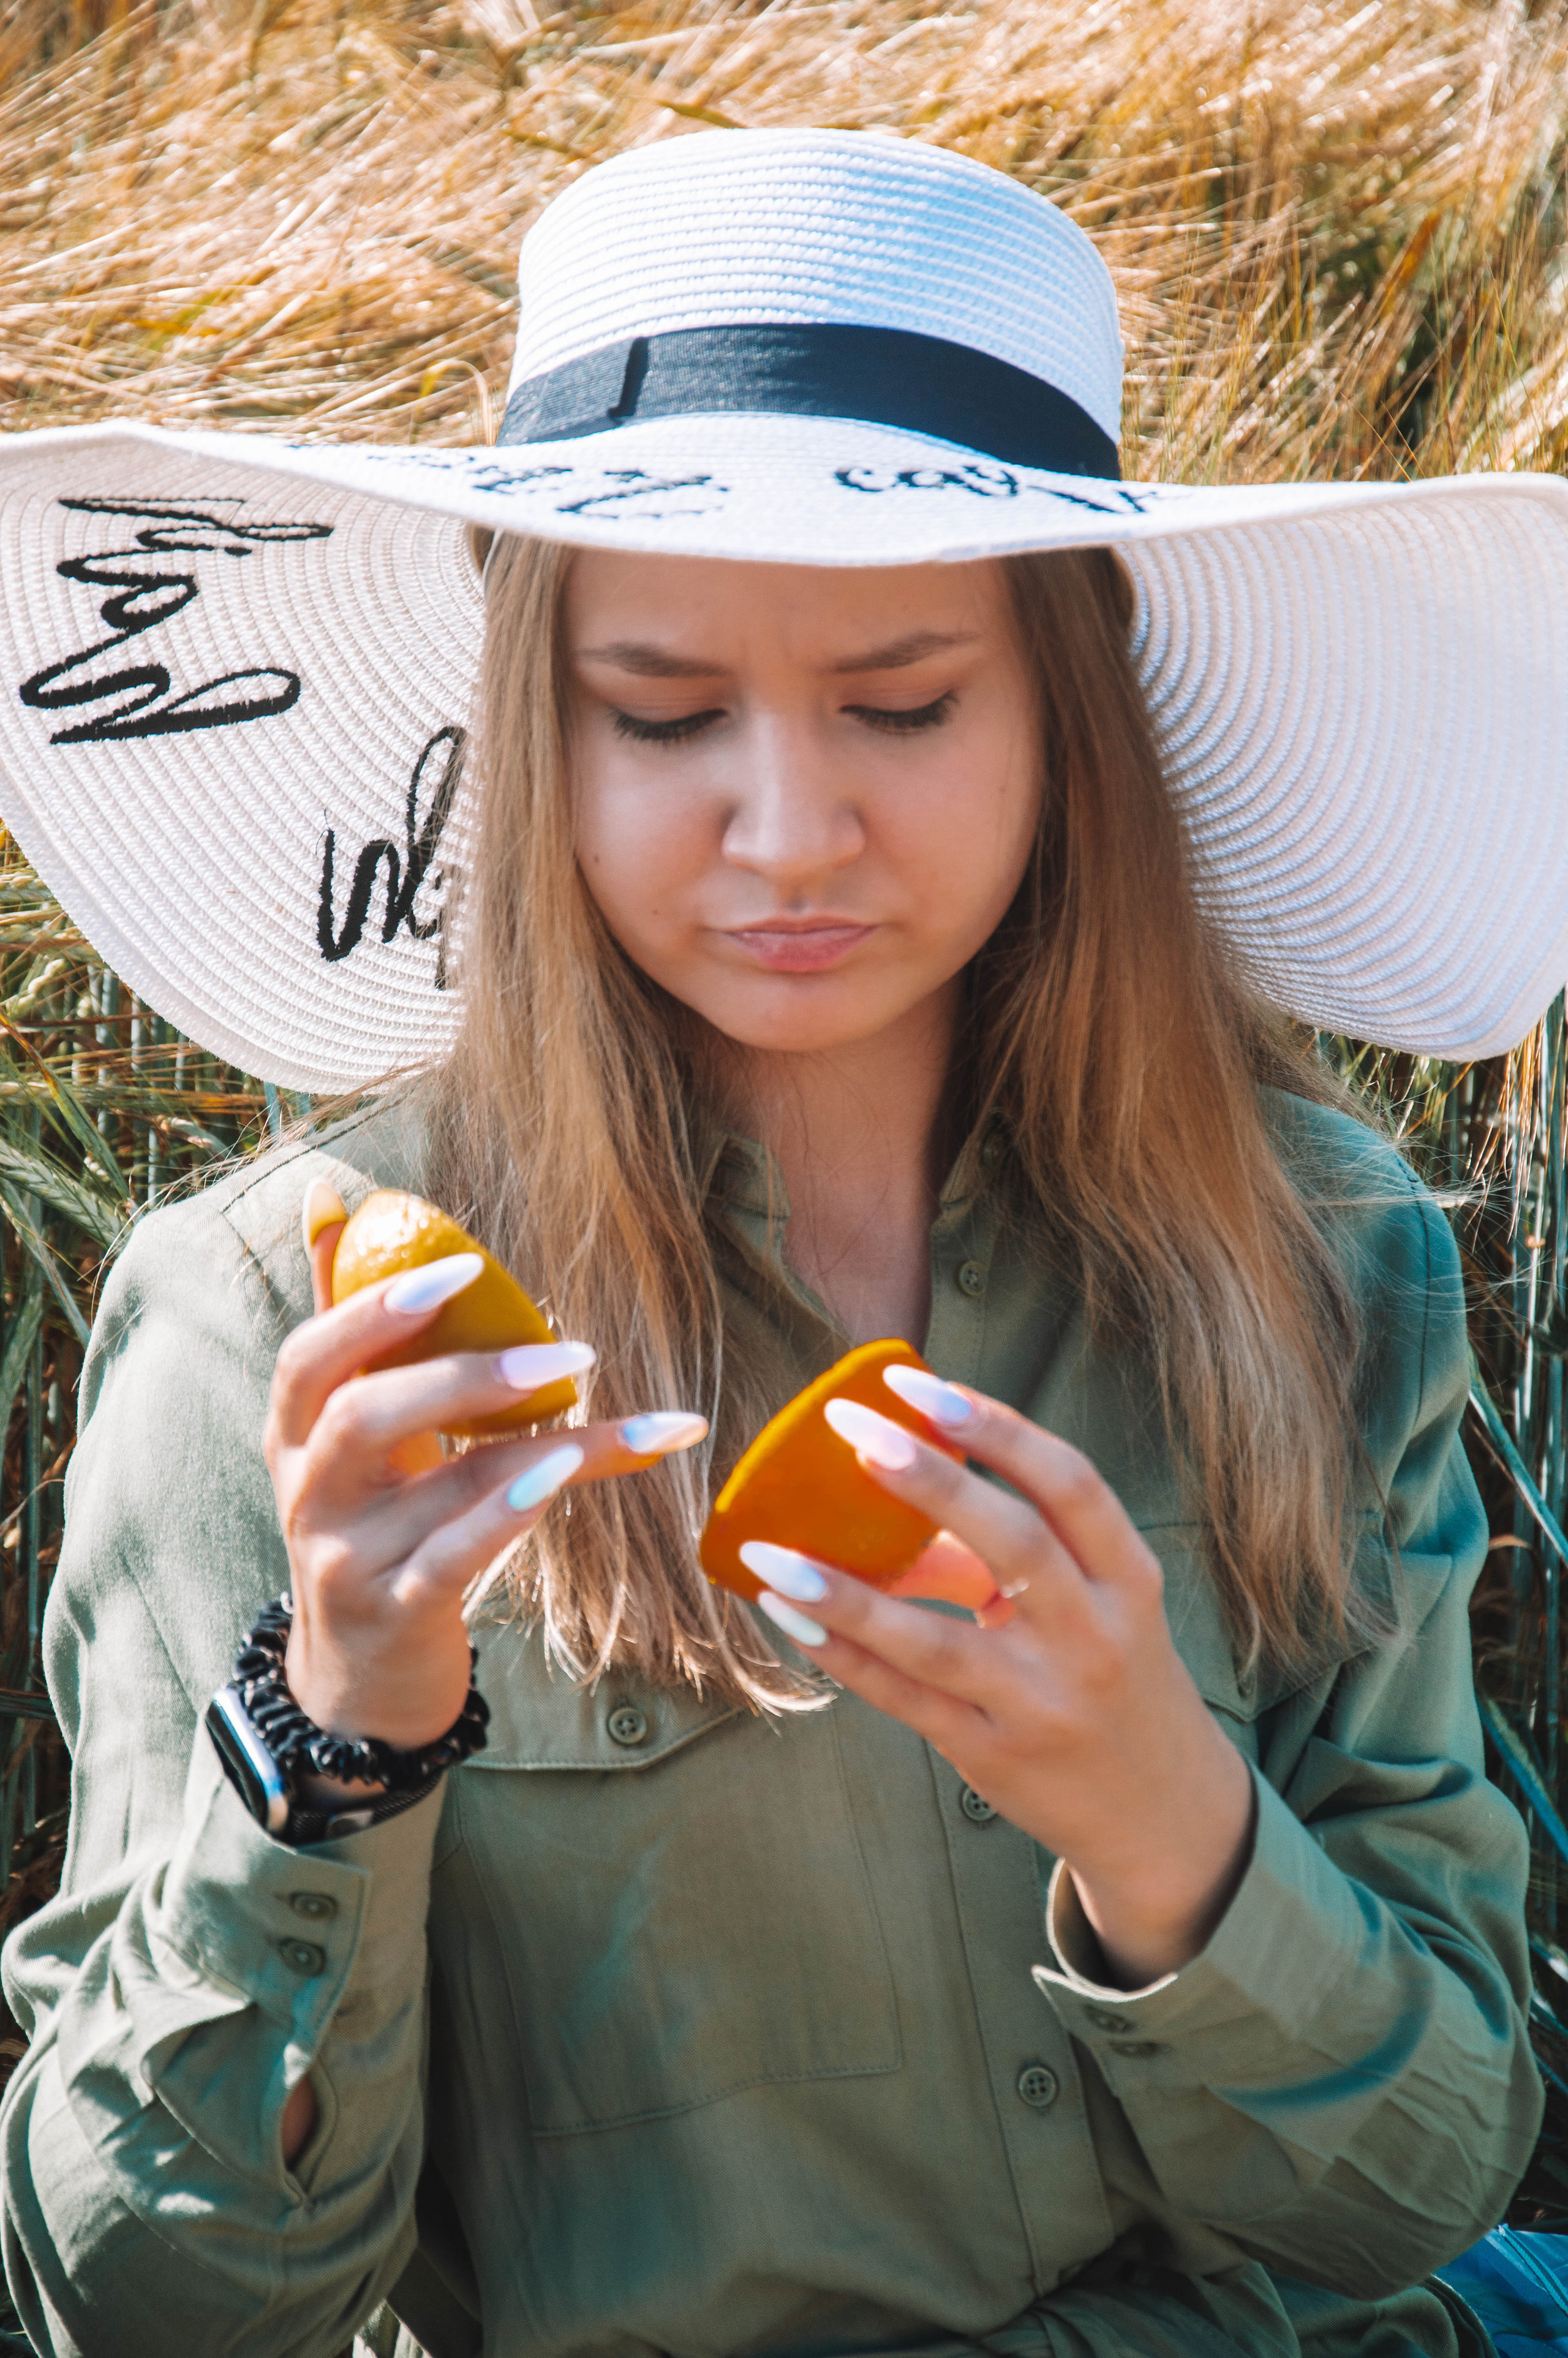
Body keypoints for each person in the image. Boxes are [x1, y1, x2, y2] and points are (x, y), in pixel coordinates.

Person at [0, 126, 1561, 2358]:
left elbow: (1412, 2196)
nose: (787, 828)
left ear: (1068, 708)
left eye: (903, 704)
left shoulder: (1314, 1258)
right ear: (537, 724)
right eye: (662, 715)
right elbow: (145, 2305)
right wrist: (329, 1734)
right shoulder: (283, 1330)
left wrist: (1162, 1823)